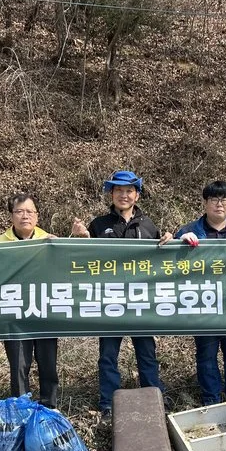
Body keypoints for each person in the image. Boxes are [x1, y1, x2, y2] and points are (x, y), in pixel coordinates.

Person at [71, 170, 173, 421]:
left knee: (147, 352)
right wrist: (80, 238)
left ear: (137, 194)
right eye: (118, 191)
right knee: (108, 355)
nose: (124, 195)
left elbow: (162, 260)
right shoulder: (99, 225)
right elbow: (84, 260)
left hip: (141, 300)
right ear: (111, 194)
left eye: (129, 191)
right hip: (110, 300)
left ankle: (153, 395)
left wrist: (171, 241)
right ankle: (108, 402)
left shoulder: (149, 226)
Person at [175, 181, 226, 406]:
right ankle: (210, 399)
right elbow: (169, 267)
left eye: (224, 200)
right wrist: (178, 244)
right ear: (205, 203)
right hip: (204, 305)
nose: (219, 204)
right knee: (206, 355)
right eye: (214, 200)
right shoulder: (188, 231)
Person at [0, 193, 59, 409]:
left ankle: (50, 405)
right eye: (19, 212)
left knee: (48, 362)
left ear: (37, 216)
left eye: (30, 211)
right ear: (12, 216)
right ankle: (22, 406)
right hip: (15, 314)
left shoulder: (49, 241)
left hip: (44, 311)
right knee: (19, 364)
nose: (25, 216)